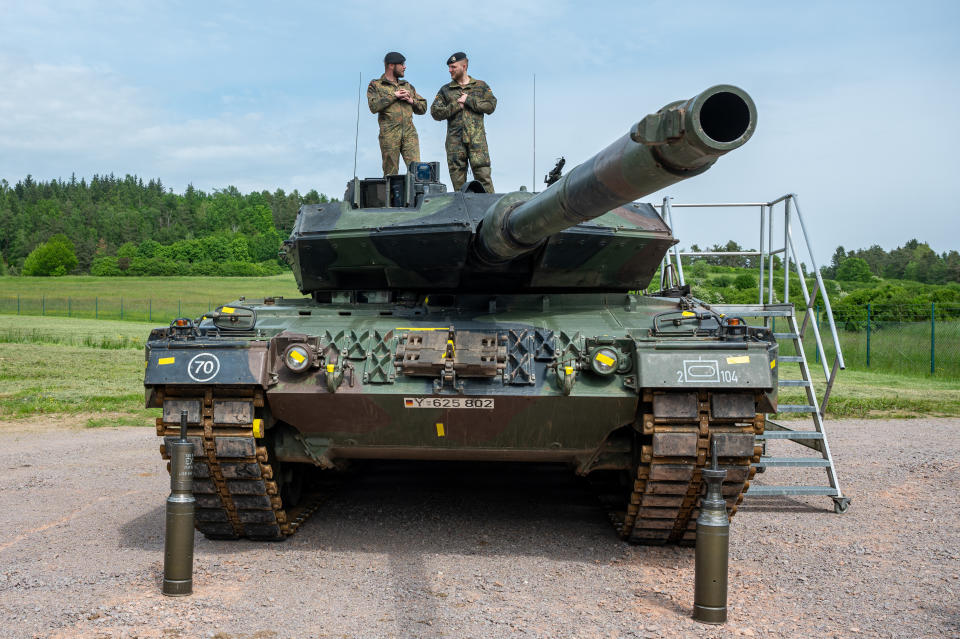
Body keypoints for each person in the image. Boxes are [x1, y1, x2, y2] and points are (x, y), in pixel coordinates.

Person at [430, 52, 497, 192]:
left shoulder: (480, 86)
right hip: (455, 144)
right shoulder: (446, 90)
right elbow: (435, 112)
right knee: (459, 186)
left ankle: (490, 211)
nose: (450, 70)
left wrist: (469, 100)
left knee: (484, 179)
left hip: (477, 143)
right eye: (449, 67)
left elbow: (491, 106)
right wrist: (456, 105)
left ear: (464, 66)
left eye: (453, 67)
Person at [367, 51, 427, 175]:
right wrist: (393, 96)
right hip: (389, 135)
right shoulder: (376, 85)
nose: (404, 67)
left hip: (410, 134)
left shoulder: (407, 86)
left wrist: (411, 100)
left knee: (417, 171)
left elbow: (423, 108)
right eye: (401, 64)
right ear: (391, 65)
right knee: (391, 174)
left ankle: (415, 195)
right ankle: (391, 195)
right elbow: (373, 106)